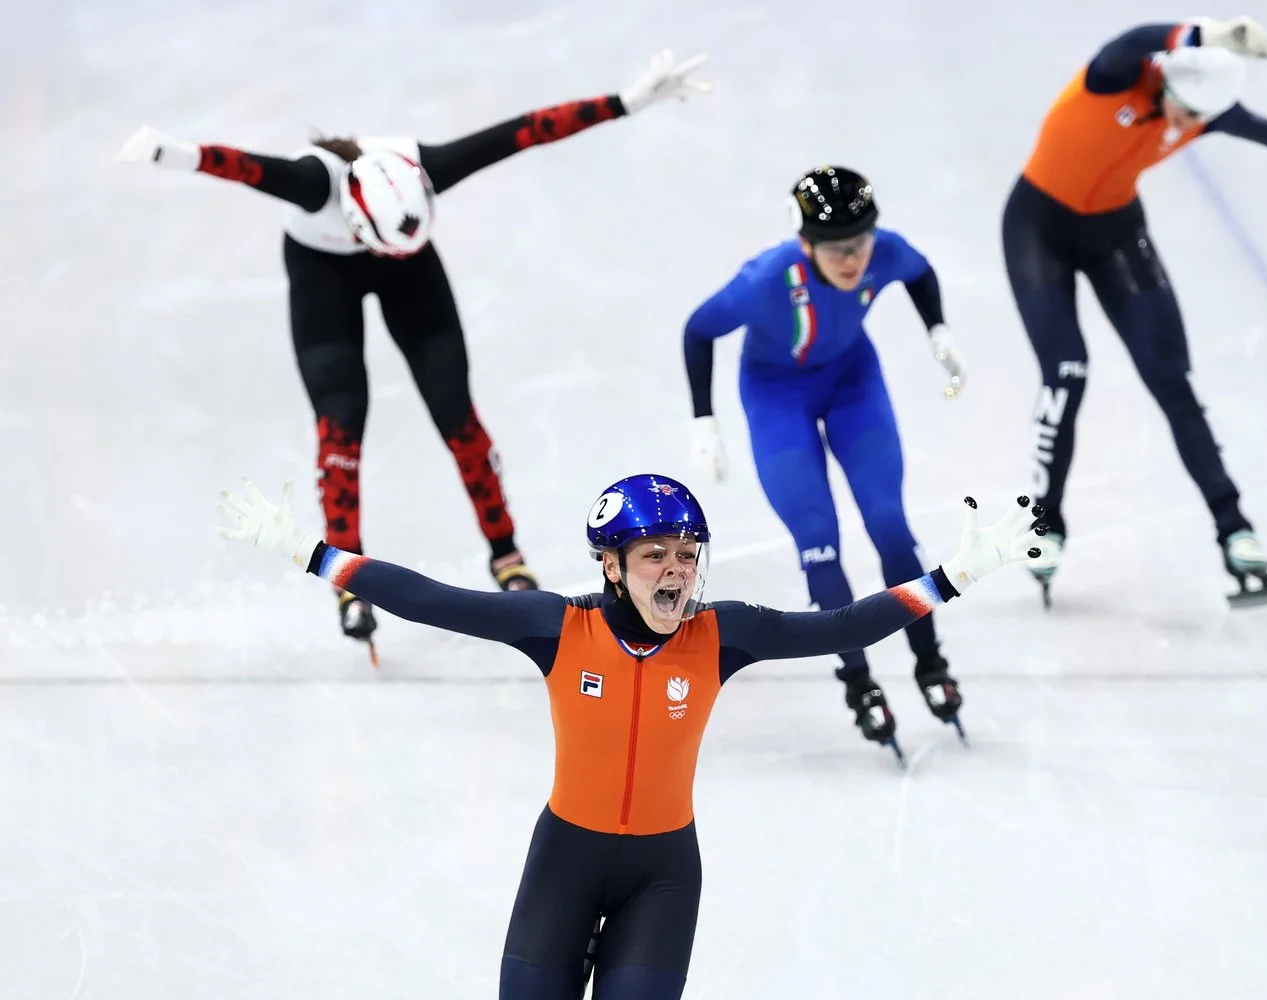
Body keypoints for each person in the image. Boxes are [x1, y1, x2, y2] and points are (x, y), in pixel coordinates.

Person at [214, 470, 1048, 999]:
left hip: (661, 877)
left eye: (688, 554)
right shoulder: (557, 628)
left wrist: (955, 576)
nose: (677, 571)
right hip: (564, 865)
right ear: (612, 565)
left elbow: (841, 627)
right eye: (655, 556)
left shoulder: (725, 635)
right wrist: (307, 553)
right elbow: (433, 598)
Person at [116, 49, 711, 652]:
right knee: (340, 420)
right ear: (353, 214)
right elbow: (239, 166)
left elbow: (521, 134)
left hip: (412, 274)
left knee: (456, 410)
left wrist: (627, 102)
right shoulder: (312, 182)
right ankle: (347, 576)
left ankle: (506, 552)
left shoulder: (420, 169)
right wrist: (170, 153)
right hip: (324, 275)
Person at [1003, 17, 1267, 608]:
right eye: (1181, 110)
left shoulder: (1205, 110)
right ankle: (1046, 522)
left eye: (1199, 119)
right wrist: (1205, 32)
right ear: (1165, 84)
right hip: (1037, 229)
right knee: (1067, 375)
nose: (1185, 125)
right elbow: (1126, 42)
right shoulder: (1116, 79)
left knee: (1173, 380)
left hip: (1117, 232)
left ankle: (1235, 528)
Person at [681, 165, 971, 757]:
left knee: (891, 528)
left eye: (861, 244)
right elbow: (698, 330)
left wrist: (937, 329)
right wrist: (703, 420)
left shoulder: (884, 250)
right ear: (805, 243)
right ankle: (858, 678)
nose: (853, 260)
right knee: (819, 542)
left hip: (852, 384)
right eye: (837, 249)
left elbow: (919, 272)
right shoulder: (764, 281)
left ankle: (929, 659)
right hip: (777, 398)